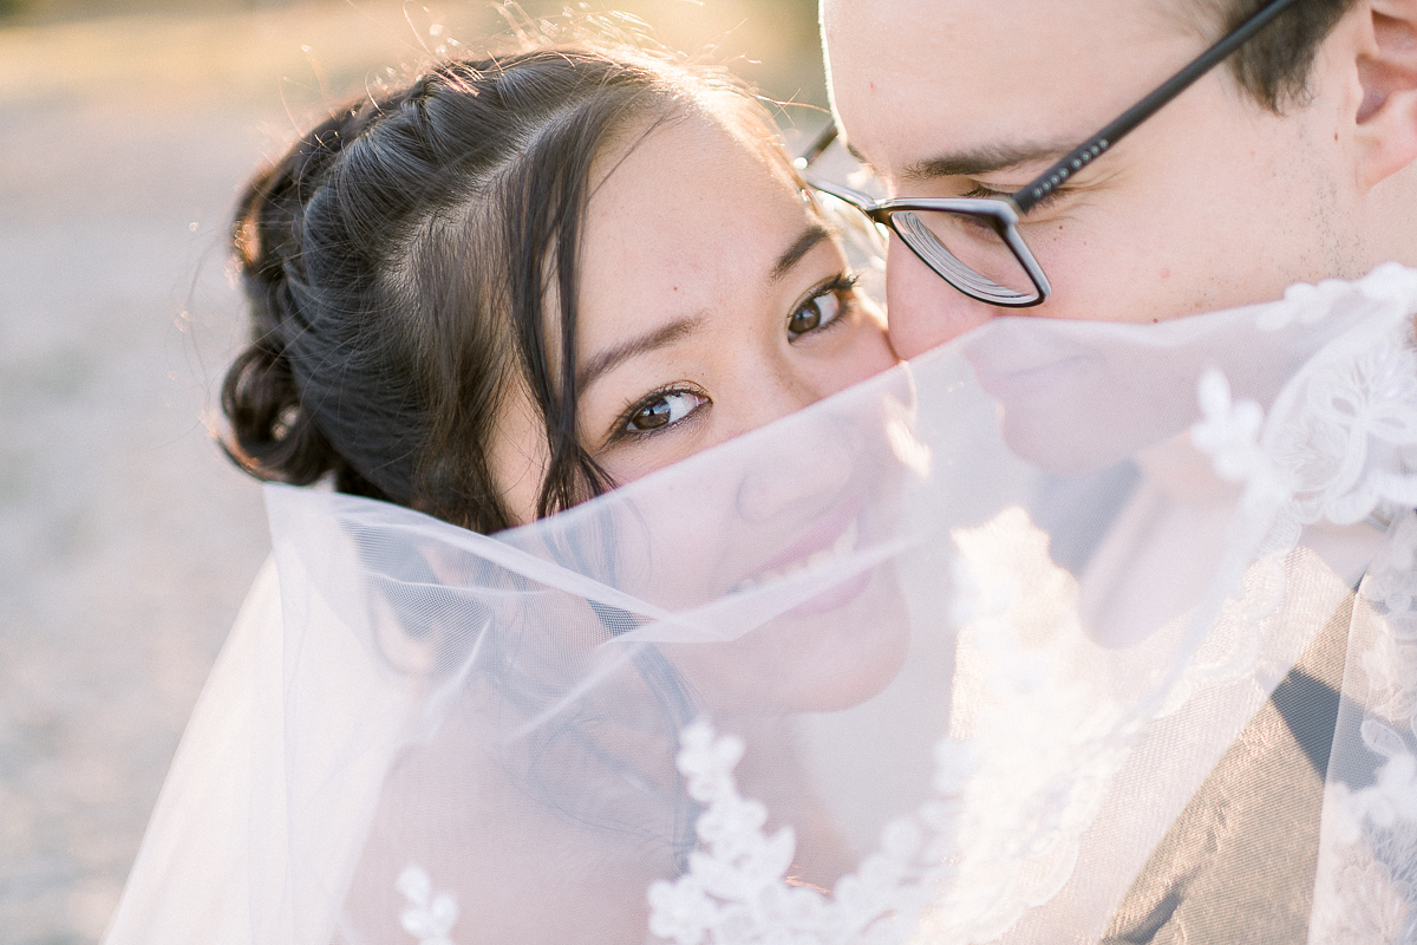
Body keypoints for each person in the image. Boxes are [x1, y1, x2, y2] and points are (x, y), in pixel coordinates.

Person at [103, 16, 1417, 945]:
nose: (815, 443)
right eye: (656, 408)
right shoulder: (488, 896)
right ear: (457, 550)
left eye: (813, 307)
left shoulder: (1031, 590)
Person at [817, 0, 1417, 941]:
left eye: (1011, 200)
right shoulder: (1047, 511)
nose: (915, 332)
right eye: (873, 188)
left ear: (1373, 90)